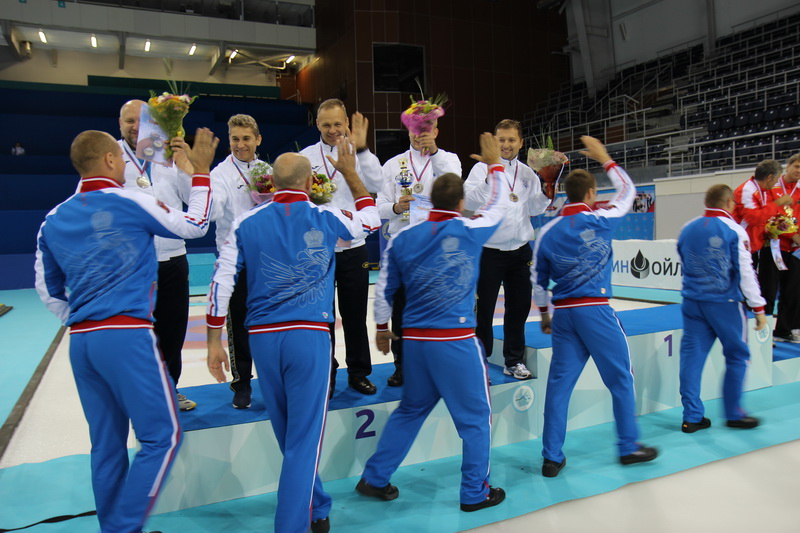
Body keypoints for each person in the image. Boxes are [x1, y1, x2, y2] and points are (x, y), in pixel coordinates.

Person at [34, 128, 216, 533]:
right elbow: (195, 225)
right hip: (127, 335)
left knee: (106, 445)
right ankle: (122, 528)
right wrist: (201, 173)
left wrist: (83, 319)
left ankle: (113, 526)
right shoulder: (133, 200)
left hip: (81, 340)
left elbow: (47, 289)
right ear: (110, 160)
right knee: (163, 436)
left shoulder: (53, 219)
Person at [206, 139, 380, 533]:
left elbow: (222, 280)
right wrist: (351, 174)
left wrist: (215, 340)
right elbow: (370, 221)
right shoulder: (326, 215)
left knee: (288, 432)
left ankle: (316, 507)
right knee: (303, 439)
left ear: (271, 182)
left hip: (263, 339)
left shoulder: (245, 222)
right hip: (308, 336)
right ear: (309, 181)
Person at [356, 132, 508, 513]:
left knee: (411, 410)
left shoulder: (404, 238)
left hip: (416, 343)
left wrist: (381, 328)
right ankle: (475, 492)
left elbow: (384, 286)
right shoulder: (469, 229)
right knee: (476, 419)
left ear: (431, 200)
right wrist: (495, 166)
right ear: (460, 203)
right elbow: (499, 206)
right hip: (456, 342)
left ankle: (375, 477)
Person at [531, 135, 657, 478]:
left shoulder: (547, 232)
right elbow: (628, 191)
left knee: (559, 386)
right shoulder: (602, 219)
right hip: (596, 311)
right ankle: (628, 446)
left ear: (566, 194)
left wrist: (544, 314)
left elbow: (538, 281)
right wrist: (606, 159)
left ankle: (551, 457)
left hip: (564, 316)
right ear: (590, 194)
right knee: (621, 379)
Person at [300, 99, 384, 396]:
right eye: (326, 124)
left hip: (354, 248)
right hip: (318, 250)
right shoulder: (306, 157)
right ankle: (327, 373)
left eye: (338, 123)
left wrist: (362, 150)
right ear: (317, 125)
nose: (333, 130)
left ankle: (359, 373)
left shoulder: (359, 152)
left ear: (347, 123)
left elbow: (378, 184)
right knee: (321, 317)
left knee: (355, 315)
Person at [118, 99, 198, 411]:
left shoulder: (169, 155)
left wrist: (186, 163)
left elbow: (194, 198)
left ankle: (169, 389)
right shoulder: (109, 157)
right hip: (131, 264)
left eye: (141, 120)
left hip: (172, 259)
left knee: (173, 331)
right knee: (134, 333)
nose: (135, 126)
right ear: (119, 123)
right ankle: (137, 394)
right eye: (129, 120)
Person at [376, 115, 462, 386]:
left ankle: (436, 365)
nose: (419, 134)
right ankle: (402, 366)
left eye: (425, 129)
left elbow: (454, 183)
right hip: (405, 251)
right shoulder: (392, 165)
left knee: (437, 310)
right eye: (415, 129)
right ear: (408, 131)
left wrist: (434, 153)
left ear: (436, 131)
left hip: (438, 250)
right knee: (402, 311)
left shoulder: (449, 160)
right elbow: (379, 206)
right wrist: (396, 207)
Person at [677, 184, 767, 433]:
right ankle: (734, 413)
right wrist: (758, 307)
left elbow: (683, 261)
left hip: (693, 302)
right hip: (724, 304)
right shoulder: (734, 230)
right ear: (729, 203)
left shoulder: (687, 227)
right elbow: (746, 272)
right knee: (738, 355)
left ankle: (691, 417)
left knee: (691, 359)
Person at [464, 119, 549, 380]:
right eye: (501, 139)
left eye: (511, 140)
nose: (506, 145)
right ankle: (480, 363)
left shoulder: (528, 173)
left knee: (519, 309)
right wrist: (493, 172)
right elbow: (470, 200)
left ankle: (514, 361)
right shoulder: (481, 168)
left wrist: (547, 192)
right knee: (484, 312)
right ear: (494, 141)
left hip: (520, 251)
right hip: (488, 251)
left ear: (521, 143)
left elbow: (534, 208)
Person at [209, 114, 268, 409]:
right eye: (235, 139)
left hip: (267, 259)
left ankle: (272, 379)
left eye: (246, 138)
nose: (240, 144)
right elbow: (215, 209)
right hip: (236, 259)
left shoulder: (268, 171)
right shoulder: (219, 174)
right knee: (239, 324)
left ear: (258, 139)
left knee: (269, 323)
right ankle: (241, 383)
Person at [732, 159, 790, 331]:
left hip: (752, 246)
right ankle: (737, 328)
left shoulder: (763, 191)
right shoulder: (747, 190)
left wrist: (771, 229)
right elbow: (753, 218)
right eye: (777, 179)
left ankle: (750, 329)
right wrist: (777, 204)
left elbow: (760, 220)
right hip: (739, 247)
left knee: (751, 289)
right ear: (770, 177)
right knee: (742, 290)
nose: (776, 182)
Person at [768, 154, 800, 343]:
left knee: (793, 290)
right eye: (797, 166)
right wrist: (793, 235)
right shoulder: (774, 187)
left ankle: (784, 330)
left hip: (795, 250)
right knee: (769, 290)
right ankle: (762, 332)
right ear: (788, 166)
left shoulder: (799, 190)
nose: (799, 171)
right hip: (774, 246)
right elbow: (773, 214)